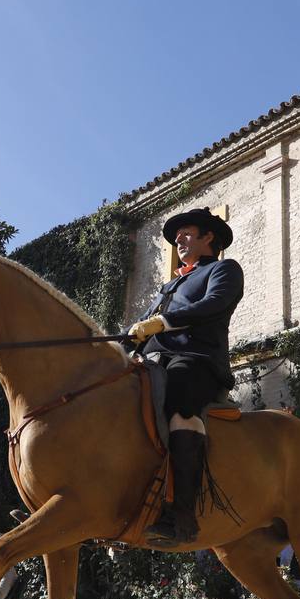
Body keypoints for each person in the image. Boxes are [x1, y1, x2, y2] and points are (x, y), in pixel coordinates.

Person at [127, 207, 244, 545]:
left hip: (196, 360)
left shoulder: (224, 270)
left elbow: (214, 304)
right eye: (177, 235)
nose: (178, 239)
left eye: (187, 233)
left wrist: (162, 323)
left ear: (209, 238)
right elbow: (136, 330)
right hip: (153, 361)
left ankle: (181, 514)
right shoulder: (169, 286)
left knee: (179, 399)